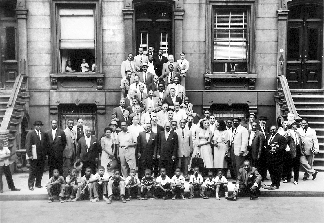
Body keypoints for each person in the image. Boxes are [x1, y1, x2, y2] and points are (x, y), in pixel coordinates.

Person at [26, 121, 46, 190]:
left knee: (40, 170)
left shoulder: (43, 133)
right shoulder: (31, 133)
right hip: (34, 155)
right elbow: (28, 144)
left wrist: (45, 154)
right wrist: (30, 154)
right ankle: (31, 185)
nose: (39, 126)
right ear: (35, 126)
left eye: (40, 125)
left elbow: (45, 144)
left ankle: (38, 183)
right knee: (33, 170)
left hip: (41, 155)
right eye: (37, 125)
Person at [265, 125, 286, 190]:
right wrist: (268, 150)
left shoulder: (281, 137)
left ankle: (276, 184)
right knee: (271, 171)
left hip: (277, 157)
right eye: (271, 130)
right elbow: (266, 145)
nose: (272, 131)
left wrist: (275, 150)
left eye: (274, 129)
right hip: (270, 157)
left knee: (277, 171)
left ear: (276, 130)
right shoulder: (268, 136)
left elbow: (283, 147)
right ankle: (273, 183)